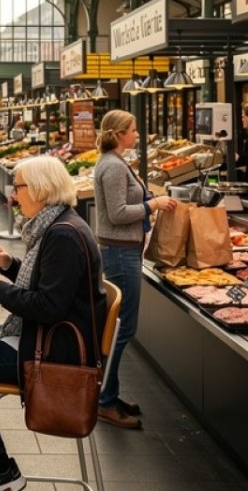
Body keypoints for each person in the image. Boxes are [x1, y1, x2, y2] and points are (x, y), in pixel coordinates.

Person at [0, 156, 105, 491]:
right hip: (39, 333)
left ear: (41, 189)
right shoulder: (56, 225)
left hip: (55, 350)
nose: (13, 195)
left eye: (19, 186)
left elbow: (48, 307)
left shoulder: (63, 236)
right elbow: (47, 282)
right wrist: (10, 264)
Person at [93, 109, 178, 429]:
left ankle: (110, 393)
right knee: (120, 329)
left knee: (119, 328)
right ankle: (104, 400)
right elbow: (117, 213)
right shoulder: (113, 167)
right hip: (119, 253)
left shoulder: (115, 162)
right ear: (118, 133)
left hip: (122, 251)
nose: (137, 134)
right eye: (133, 129)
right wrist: (152, 205)